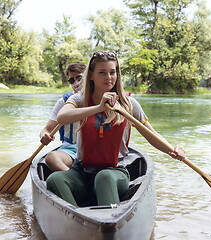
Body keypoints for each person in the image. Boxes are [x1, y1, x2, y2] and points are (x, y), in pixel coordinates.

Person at [46, 51, 186, 206]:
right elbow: (62, 117)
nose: (109, 77)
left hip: (116, 172)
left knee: (104, 177)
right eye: (102, 72)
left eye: (112, 72)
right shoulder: (79, 100)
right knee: (55, 179)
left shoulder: (129, 104)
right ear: (91, 75)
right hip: (82, 172)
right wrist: (99, 107)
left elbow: (151, 134)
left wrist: (172, 149)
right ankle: (76, 216)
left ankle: (109, 221)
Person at [39, 61, 86, 171]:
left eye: (79, 78)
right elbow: (46, 129)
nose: (76, 83)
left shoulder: (99, 99)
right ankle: (73, 178)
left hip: (94, 150)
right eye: (71, 80)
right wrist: (44, 135)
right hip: (70, 150)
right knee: (51, 158)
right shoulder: (63, 102)